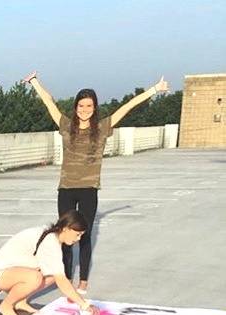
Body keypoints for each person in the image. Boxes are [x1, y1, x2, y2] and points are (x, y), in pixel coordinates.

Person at [23, 71, 169, 294]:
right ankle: (66, 277)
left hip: (89, 189)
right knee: (64, 235)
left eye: (89, 107)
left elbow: (127, 107)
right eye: (81, 106)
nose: (84, 110)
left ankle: (83, 281)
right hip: (66, 189)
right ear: (75, 108)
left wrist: (154, 90)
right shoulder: (65, 125)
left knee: (85, 235)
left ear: (94, 108)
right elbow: (48, 102)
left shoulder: (101, 128)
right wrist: (34, 82)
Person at [0, 210, 100, 315]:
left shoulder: (53, 236)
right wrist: (84, 304)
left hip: (14, 271)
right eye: (77, 234)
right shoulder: (50, 241)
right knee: (35, 277)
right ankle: (6, 306)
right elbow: (62, 281)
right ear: (66, 228)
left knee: (52, 275)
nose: (78, 239)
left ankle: (20, 301)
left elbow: (58, 276)